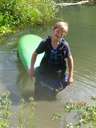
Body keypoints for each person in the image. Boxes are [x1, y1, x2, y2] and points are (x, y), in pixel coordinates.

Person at [29, 21, 74, 92]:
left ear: (64, 34)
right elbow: (35, 54)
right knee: (39, 90)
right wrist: (31, 68)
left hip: (58, 73)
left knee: (55, 91)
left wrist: (70, 76)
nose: (59, 34)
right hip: (45, 70)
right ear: (53, 29)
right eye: (58, 31)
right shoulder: (45, 43)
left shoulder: (65, 45)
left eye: (62, 33)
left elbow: (70, 59)